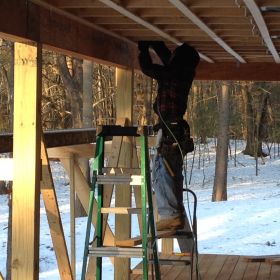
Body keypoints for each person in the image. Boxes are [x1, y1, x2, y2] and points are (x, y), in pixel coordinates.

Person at [138, 41, 200, 230]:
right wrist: (156, 45)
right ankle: (173, 213)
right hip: (172, 129)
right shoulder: (180, 72)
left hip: (172, 131)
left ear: (178, 60)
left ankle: (171, 214)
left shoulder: (173, 74)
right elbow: (168, 60)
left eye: (174, 56)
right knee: (168, 170)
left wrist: (143, 50)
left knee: (164, 171)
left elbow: (148, 68)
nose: (171, 58)